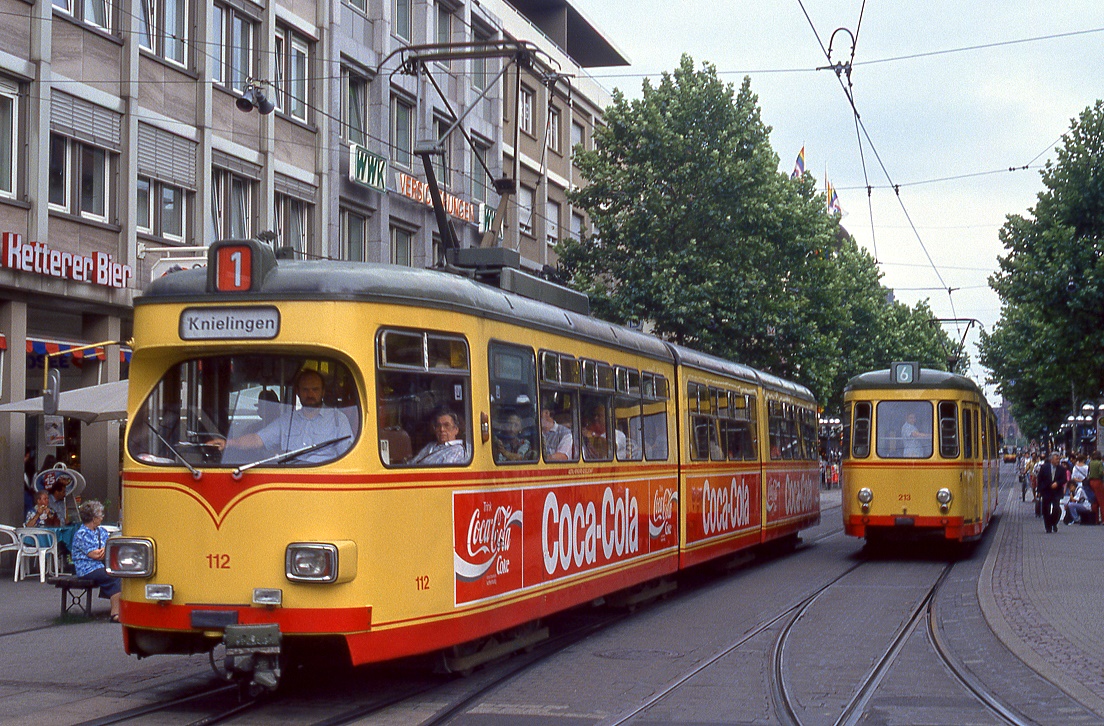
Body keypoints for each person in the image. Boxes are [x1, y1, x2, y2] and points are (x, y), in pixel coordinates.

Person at [214, 370, 353, 464]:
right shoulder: (287, 420)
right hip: (290, 481)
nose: (310, 394)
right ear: (297, 392)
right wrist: (228, 444)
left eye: (315, 389)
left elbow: (348, 457)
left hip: (325, 483)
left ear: (323, 392)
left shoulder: (338, 419)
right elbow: (258, 439)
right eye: (305, 390)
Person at [71, 500, 121, 622]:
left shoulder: (101, 531)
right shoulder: (81, 534)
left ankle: (120, 608)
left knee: (121, 574)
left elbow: (107, 551)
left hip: (100, 566)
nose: (102, 517)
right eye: (100, 515)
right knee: (113, 576)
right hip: (86, 568)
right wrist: (104, 551)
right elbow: (95, 555)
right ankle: (115, 614)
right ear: (93, 518)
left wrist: (103, 552)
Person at [1037, 452, 1069, 533]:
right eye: (1056, 459)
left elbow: (1064, 479)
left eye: (1059, 459)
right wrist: (1039, 491)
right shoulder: (1044, 467)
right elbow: (1040, 479)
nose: (1058, 461)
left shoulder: (1062, 469)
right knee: (1046, 509)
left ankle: (1053, 522)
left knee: (1056, 509)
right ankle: (1048, 527)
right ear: (1051, 460)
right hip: (1046, 490)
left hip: (1056, 491)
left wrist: (1057, 483)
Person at [1087, 450, 1104, 525]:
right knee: (1101, 501)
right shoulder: (1099, 463)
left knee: (1094, 500)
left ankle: (1095, 519)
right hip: (1098, 482)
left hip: (1091, 482)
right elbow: (1101, 472)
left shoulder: (1090, 463)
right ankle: (1103, 519)